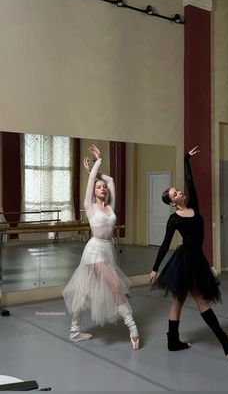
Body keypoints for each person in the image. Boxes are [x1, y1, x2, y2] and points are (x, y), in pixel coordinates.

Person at [148, 146, 228, 362]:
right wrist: (155, 267)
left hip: (197, 259)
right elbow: (165, 244)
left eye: (177, 190)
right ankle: (226, 345)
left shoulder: (193, 205)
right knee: (199, 301)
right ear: (172, 203)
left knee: (180, 300)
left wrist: (187, 160)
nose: (179, 192)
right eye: (175, 194)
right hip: (184, 261)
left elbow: (191, 181)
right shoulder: (174, 219)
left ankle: (173, 342)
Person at [63, 144, 139, 349]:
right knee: (114, 285)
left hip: (107, 249)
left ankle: (74, 331)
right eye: (98, 186)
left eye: (102, 187)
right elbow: (91, 184)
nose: (102, 188)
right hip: (93, 250)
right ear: (93, 191)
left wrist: (96, 173)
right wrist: (96, 164)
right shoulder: (89, 207)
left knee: (85, 293)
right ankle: (132, 327)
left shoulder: (110, 207)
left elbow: (111, 180)